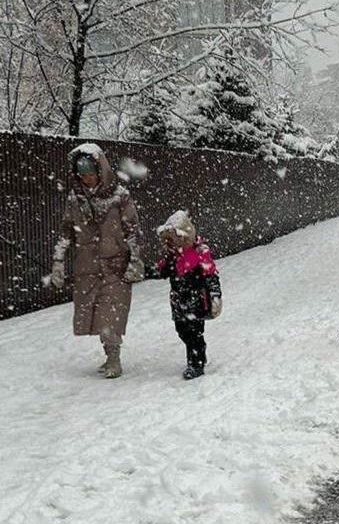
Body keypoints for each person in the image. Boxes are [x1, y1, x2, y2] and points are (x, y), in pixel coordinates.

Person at [49, 143, 144, 379]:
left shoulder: (120, 196)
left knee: (110, 315)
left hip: (115, 266)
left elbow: (133, 231)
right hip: (87, 267)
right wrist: (58, 261)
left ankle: (114, 358)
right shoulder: (75, 199)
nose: (87, 179)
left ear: (101, 171)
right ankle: (109, 354)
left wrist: (135, 261)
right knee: (94, 315)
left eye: (90, 173)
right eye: (82, 175)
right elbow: (67, 231)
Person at [149, 210, 223, 380]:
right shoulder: (172, 257)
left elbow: (211, 276)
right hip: (178, 301)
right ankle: (197, 353)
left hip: (197, 300)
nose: (173, 243)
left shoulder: (200, 252)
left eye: (176, 239)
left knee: (195, 333)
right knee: (182, 330)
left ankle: (196, 363)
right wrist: (144, 271)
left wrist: (215, 295)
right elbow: (161, 271)